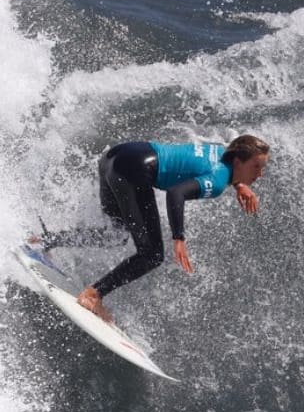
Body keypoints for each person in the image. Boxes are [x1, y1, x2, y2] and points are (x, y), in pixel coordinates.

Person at [75, 135, 270, 322]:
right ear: (237, 161)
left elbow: (217, 166)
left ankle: (49, 240)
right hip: (133, 171)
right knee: (152, 255)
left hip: (116, 157)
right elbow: (176, 193)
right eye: (255, 167)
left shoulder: (222, 151)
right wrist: (179, 238)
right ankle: (93, 295)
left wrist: (239, 184)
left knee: (116, 234)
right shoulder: (218, 181)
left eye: (261, 168)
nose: (259, 174)